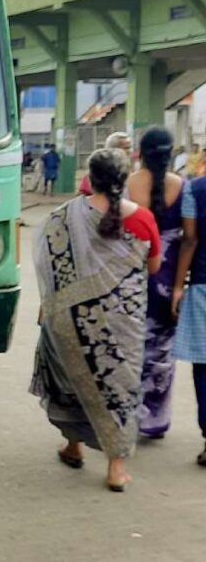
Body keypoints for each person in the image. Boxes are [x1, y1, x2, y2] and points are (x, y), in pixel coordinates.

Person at [30, 147, 161, 492]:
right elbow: (152, 267)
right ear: (123, 177)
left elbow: (48, 266)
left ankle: (73, 446)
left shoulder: (64, 215)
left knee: (72, 380)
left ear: (90, 176)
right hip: (123, 322)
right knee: (118, 387)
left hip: (71, 320)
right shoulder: (143, 219)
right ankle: (116, 469)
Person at [126, 126, 197, 439]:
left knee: (128, 347)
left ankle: (126, 416)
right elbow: (188, 240)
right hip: (168, 278)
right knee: (161, 351)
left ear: (140, 153)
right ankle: (154, 421)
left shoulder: (127, 185)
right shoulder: (184, 186)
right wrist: (179, 285)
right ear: (170, 155)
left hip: (130, 276)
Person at [173, 173, 206, 466]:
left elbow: (190, 240)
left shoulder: (194, 189)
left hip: (202, 287)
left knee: (204, 365)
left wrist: (177, 286)